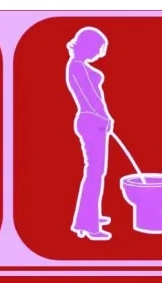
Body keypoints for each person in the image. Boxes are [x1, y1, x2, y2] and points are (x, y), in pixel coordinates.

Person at [66, 28, 113, 240]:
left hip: (94, 120)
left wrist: (105, 117)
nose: (98, 53)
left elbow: (94, 97)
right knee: (95, 172)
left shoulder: (78, 66)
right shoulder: (77, 67)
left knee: (96, 171)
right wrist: (105, 118)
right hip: (92, 121)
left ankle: (91, 214)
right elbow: (91, 97)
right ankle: (88, 224)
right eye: (97, 48)